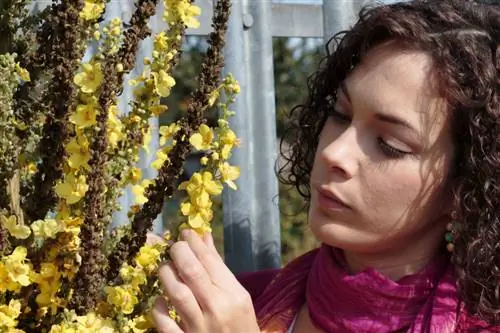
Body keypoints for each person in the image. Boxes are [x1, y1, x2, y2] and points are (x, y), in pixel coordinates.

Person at [151, 0, 500, 332]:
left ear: (463, 185)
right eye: (340, 114)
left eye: (390, 145)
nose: (335, 152)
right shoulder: (234, 305)